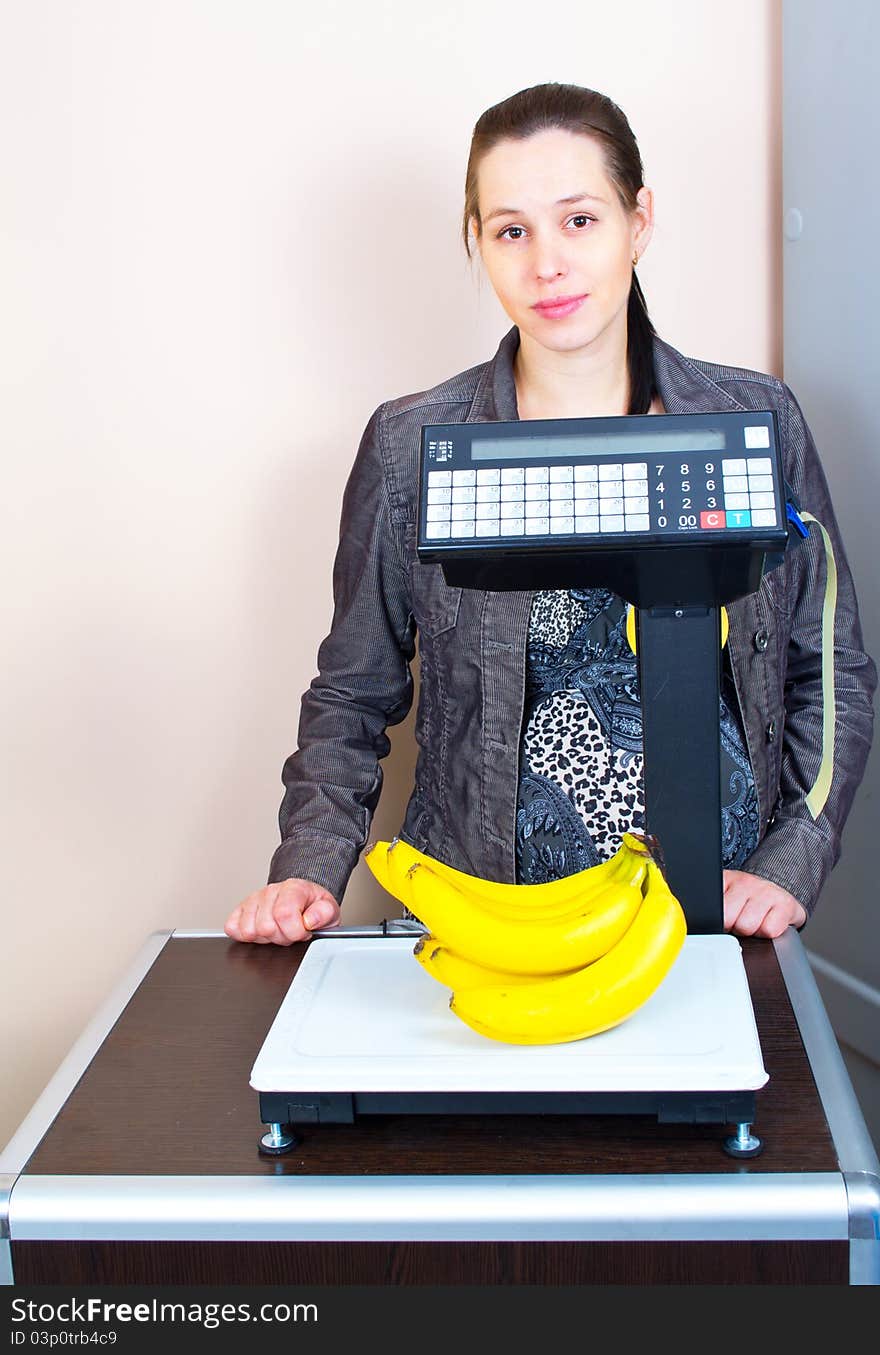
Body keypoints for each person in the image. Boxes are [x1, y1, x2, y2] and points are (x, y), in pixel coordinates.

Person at [224, 83, 876, 948]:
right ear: (480, 243)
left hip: (715, 923)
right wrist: (307, 868)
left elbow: (831, 673)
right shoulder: (409, 443)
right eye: (510, 230)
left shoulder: (757, 423)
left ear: (638, 221)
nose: (546, 266)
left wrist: (792, 859)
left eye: (579, 220)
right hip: (482, 923)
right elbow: (352, 691)